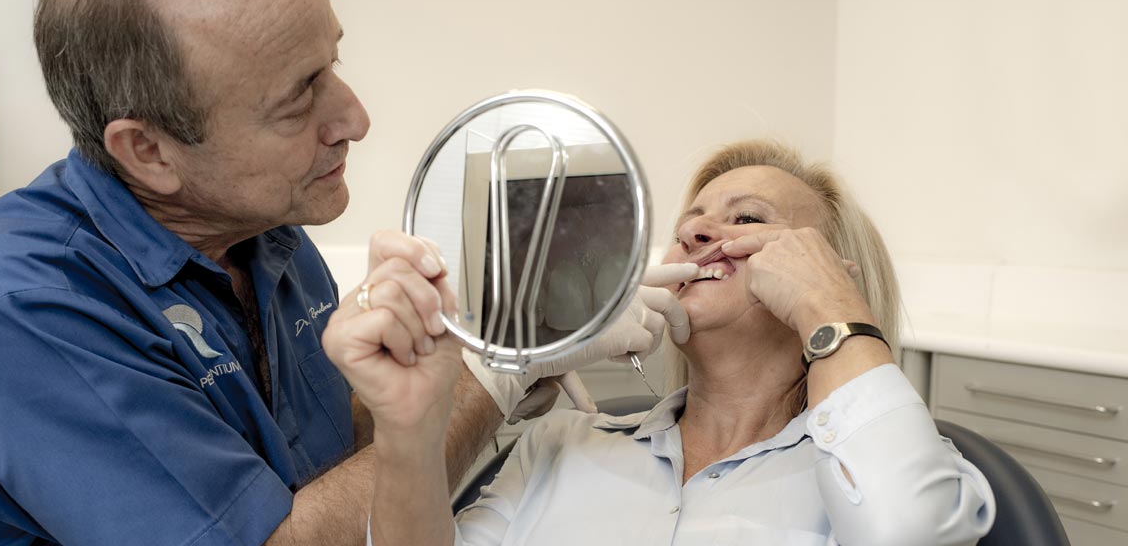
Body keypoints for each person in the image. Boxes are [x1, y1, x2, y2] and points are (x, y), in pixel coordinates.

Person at [0, 0, 690, 544]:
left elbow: (320, 450)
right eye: (299, 98)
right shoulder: (27, 310)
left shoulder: (265, 231)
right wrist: (492, 376)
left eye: (333, 62)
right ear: (150, 151)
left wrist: (483, 374)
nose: (355, 119)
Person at [329, 140, 997, 545]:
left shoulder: (878, 470)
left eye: (746, 220)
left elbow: (909, 533)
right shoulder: (559, 446)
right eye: (692, 221)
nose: (700, 233)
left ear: (823, 269)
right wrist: (411, 430)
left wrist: (832, 308)